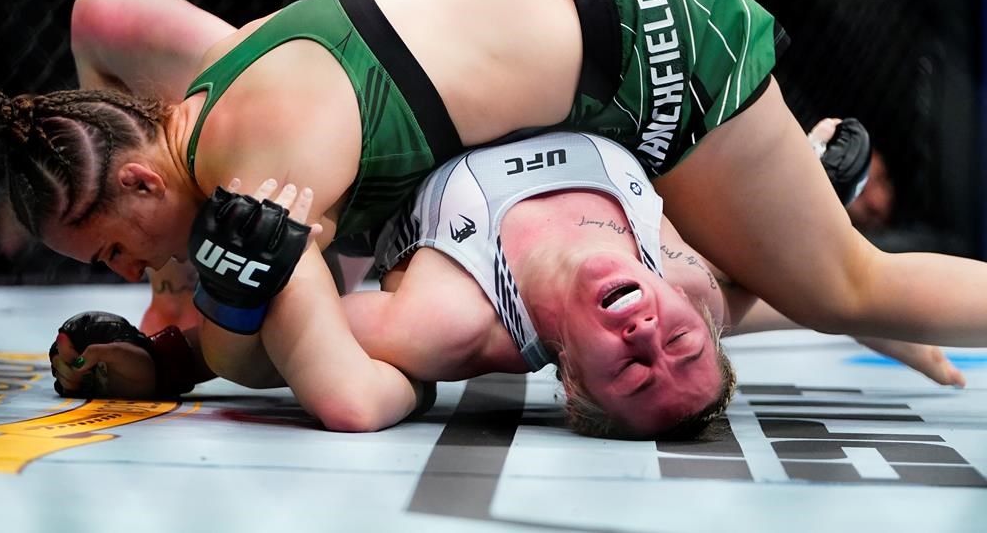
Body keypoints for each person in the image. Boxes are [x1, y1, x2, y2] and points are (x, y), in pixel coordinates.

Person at [0, 0, 987, 432]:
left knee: (857, 282)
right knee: (708, 272)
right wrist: (185, 274)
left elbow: (343, 391)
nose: (121, 268)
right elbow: (97, 23)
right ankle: (789, 234)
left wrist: (218, 318)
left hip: (637, 51)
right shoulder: (209, 66)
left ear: (144, 179)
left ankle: (803, 259)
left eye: (110, 248)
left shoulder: (264, 174)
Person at [47, 131, 964, 439]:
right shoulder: (691, 277)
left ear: (567, 380)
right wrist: (814, 196)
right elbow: (758, 290)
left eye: (632, 371)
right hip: (567, 61)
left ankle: (171, 349)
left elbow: (313, 353)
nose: (650, 339)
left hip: (384, 142)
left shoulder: (451, 318)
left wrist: (248, 281)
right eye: (677, 346)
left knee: (118, 18)